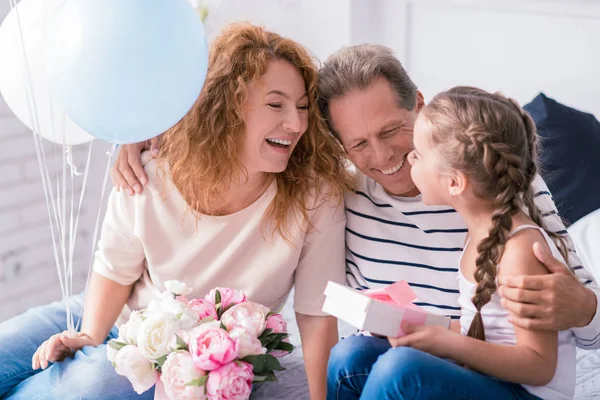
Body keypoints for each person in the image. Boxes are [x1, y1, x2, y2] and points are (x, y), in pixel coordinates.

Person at [113, 44, 600, 398]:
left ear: (421, 107)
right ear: (337, 146)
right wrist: (153, 136)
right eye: (358, 144)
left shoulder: (495, 184)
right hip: (416, 355)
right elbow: (251, 125)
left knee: (398, 371)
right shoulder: (337, 190)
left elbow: (578, 340)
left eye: (394, 131)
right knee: (348, 359)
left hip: (450, 367)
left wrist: (585, 309)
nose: (386, 157)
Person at [0, 23, 353, 400]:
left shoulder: (314, 196)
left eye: (302, 107)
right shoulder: (153, 171)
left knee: (87, 387)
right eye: (275, 104)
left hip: (174, 357)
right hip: (107, 311)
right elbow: (115, 269)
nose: (296, 124)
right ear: (226, 107)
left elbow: (316, 315)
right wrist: (89, 336)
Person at [345, 86, 577, 399]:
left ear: (454, 182)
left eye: (419, 155)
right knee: (353, 355)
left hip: (526, 392)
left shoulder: (520, 252)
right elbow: (485, 330)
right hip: (488, 379)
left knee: (401, 369)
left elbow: (539, 366)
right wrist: (418, 327)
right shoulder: (479, 233)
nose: (409, 160)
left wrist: (448, 343)